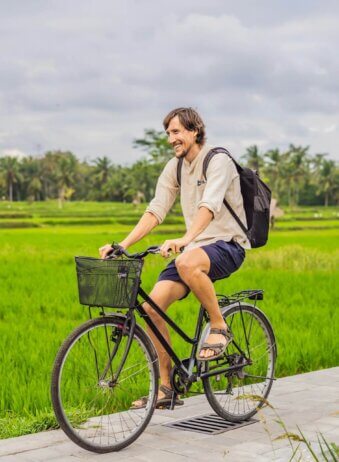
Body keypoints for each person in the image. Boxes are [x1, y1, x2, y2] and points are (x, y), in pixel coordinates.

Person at [99, 107, 249, 408]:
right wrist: (122, 244)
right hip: (195, 250)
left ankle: (219, 326)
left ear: (195, 131)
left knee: (186, 261)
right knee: (151, 308)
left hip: (228, 245)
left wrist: (184, 239)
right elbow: (156, 209)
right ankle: (166, 388)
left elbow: (210, 206)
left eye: (177, 131)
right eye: (168, 133)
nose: (172, 138)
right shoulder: (176, 167)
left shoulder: (218, 160)